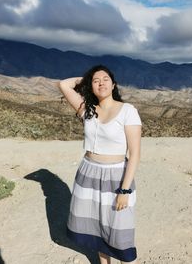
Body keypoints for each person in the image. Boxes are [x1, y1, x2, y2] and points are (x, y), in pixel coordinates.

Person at [58, 65, 142, 264]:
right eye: (96, 81)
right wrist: (87, 79)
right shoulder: (87, 109)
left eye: (106, 79)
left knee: (120, 230)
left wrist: (125, 190)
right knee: (96, 229)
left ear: (113, 85)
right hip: (88, 174)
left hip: (116, 177)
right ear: (90, 86)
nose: (101, 83)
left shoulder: (127, 111)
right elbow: (64, 85)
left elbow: (135, 153)